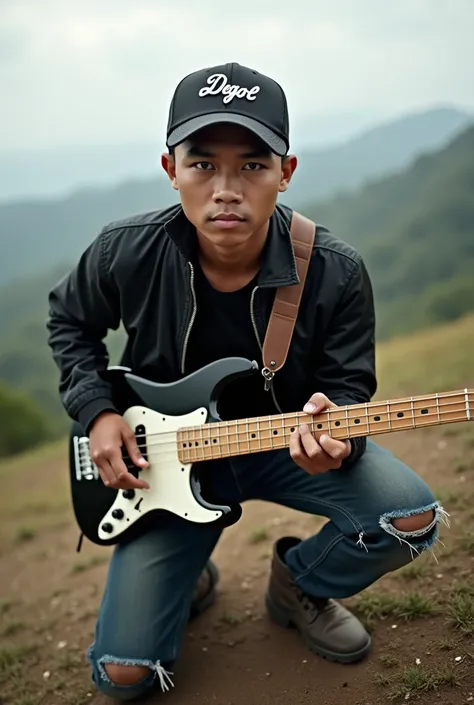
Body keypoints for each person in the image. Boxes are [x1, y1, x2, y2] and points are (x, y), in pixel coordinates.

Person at [46, 62, 446, 701]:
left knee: (411, 516)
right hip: (167, 468)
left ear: (285, 173)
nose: (226, 188)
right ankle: (188, 574)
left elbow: (348, 386)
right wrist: (97, 411)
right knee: (123, 676)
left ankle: (300, 582)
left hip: (288, 452)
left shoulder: (336, 270)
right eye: (202, 164)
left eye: (253, 166)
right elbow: (70, 322)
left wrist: (338, 433)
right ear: (170, 168)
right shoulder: (124, 249)